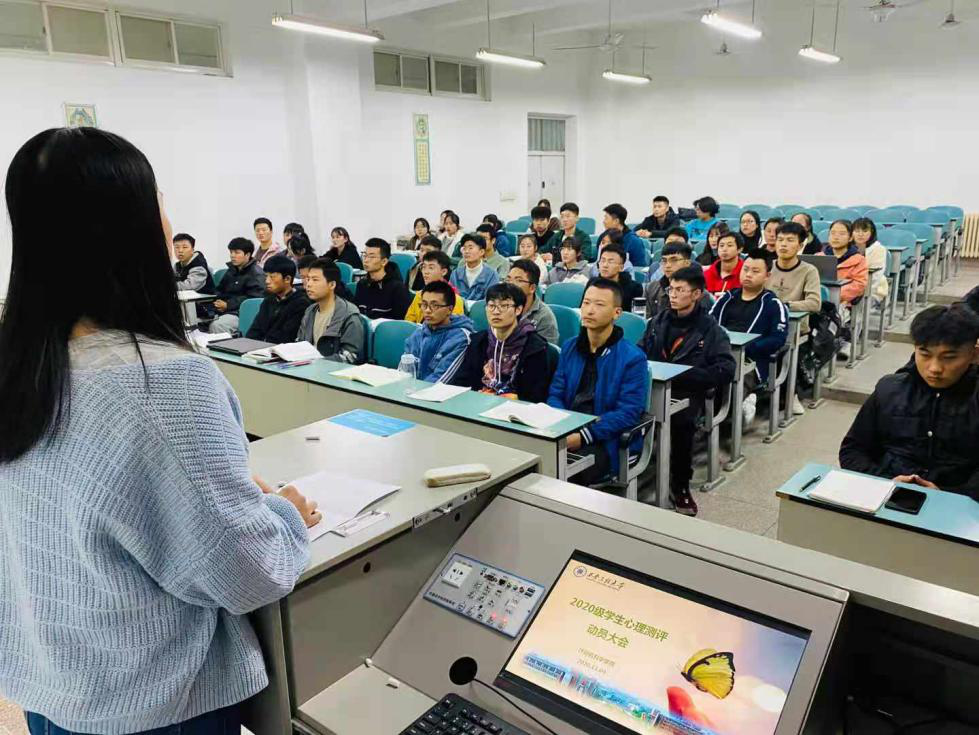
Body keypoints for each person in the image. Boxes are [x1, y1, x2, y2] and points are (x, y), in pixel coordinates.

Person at [0, 127, 316, 734]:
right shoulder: (164, 382)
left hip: (53, 686)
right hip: (153, 703)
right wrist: (283, 514)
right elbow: (245, 571)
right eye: (160, 203)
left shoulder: (21, 366)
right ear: (130, 231)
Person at [839, 304, 979, 500]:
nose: (935, 368)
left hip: (961, 506)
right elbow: (853, 450)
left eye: (949, 358)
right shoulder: (890, 389)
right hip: (885, 496)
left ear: (974, 354)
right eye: (925, 354)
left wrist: (947, 496)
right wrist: (887, 482)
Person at [640, 266, 736, 516]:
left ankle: (680, 483)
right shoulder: (657, 322)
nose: (672, 295)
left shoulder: (711, 330)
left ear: (696, 294)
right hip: (654, 386)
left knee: (682, 422)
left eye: (680, 290)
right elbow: (639, 353)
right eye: (671, 289)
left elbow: (726, 369)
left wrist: (685, 375)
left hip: (688, 392)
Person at [547, 279, 649, 487]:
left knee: (562, 473)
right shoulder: (570, 347)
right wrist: (562, 426)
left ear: (617, 313)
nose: (590, 310)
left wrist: (584, 436)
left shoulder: (632, 358)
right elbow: (556, 393)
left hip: (607, 440)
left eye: (599, 305)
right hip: (567, 430)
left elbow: (628, 412)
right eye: (586, 303)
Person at [710, 249, 788, 424]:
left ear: (767, 276)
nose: (748, 274)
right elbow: (708, 325)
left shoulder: (773, 304)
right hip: (718, 355)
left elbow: (778, 339)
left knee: (729, 382)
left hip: (751, 362)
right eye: (745, 269)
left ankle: (725, 417)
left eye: (755, 271)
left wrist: (747, 348)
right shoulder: (727, 298)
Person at [449, 283, 554, 403]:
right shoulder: (479, 341)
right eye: (491, 306)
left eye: (504, 306)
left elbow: (535, 395)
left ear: (518, 309)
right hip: (476, 404)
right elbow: (462, 382)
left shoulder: (534, 347)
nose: (496, 312)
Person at [768, 222, 821, 416]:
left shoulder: (809, 271)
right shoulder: (767, 267)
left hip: (795, 329)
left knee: (785, 352)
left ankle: (792, 394)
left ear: (800, 245)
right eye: (780, 239)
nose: (783, 244)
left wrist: (784, 306)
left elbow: (814, 303)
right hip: (766, 325)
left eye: (790, 240)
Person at [403, 280, 474, 383]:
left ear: (450, 309)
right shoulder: (418, 333)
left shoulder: (460, 338)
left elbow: (442, 379)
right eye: (424, 304)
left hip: (441, 391)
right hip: (413, 389)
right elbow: (405, 370)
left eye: (434, 306)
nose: (427, 310)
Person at [297, 258, 365, 363]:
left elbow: (351, 356)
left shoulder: (348, 315)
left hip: (331, 370)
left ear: (332, 285)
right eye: (308, 279)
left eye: (315, 280)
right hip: (307, 367)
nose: (308, 284)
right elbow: (299, 344)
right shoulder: (310, 311)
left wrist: (317, 363)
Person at [246, 255, 309, 344]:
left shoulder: (300, 304)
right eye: (266, 276)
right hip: (259, 348)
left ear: (287, 279)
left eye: (272, 277)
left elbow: (286, 337)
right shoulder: (268, 301)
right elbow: (253, 332)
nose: (267, 281)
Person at [209, 237, 266, 334]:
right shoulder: (232, 270)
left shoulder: (256, 274)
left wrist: (228, 305)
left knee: (218, 325)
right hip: (225, 310)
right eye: (231, 252)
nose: (232, 256)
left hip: (241, 313)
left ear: (247, 255)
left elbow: (252, 299)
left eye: (237, 252)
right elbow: (220, 289)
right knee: (197, 320)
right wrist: (217, 302)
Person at [644, 241, 709, 320]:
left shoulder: (698, 293)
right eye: (664, 261)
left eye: (674, 260)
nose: (667, 265)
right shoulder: (651, 288)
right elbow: (646, 320)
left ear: (687, 263)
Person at [354, 238, 412, 320]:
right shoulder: (362, 284)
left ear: (384, 261)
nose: (366, 260)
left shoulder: (398, 288)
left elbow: (401, 323)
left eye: (372, 257)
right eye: (365, 255)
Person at [506, 259, 559, 343]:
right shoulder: (501, 308)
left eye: (518, 280)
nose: (510, 285)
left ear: (532, 288)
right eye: (508, 280)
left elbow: (546, 349)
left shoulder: (544, 317)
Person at [405, 250, 464, 323]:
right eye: (424, 267)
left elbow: (456, 326)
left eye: (431, 268)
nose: (425, 272)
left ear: (444, 272)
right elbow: (409, 322)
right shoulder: (419, 295)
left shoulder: (454, 299)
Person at [172, 232, 215, 321]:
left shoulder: (199, 266)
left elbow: (188, 286)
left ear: (192, 249)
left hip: (203, 307)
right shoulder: (177, 265)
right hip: (185, 305)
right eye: (176, 247)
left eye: (185, 247)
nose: (180, 250)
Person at [824, 219, 868, 307]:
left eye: (842, 234)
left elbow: (858, 285)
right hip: (815, 300)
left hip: (843, 303)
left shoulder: (859, 260)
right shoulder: (819, 256)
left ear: (850, 238)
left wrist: (832, 296)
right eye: (832, 233)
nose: (836, 237)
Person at [450, 233, 500, 301]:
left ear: (481, 252)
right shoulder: (455, 274)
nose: (466, 251)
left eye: (470, 248)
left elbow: (491, 300)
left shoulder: (492, 275)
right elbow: (450, 297)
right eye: (464, 248)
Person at [852, 217, 889, 306]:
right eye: (857, 231)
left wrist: (857, 290)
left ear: (872, 233)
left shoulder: (879, 249)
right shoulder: (847, 247)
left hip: (872, 290)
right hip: (849, 287)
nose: (860, 234)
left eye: (865, 231)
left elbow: (875, 277)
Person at [600, 203, 649, 267]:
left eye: (606, 218)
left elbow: (639, 268)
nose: (604, 221)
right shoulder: (603, 237)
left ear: (616, 221)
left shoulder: (634, 241)